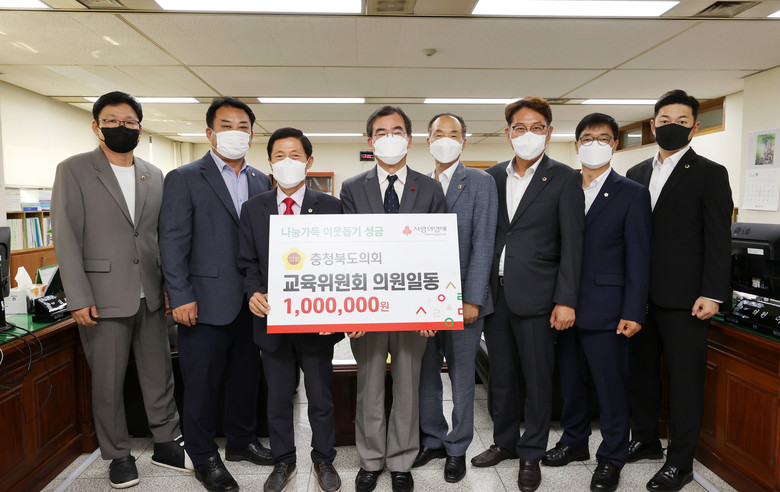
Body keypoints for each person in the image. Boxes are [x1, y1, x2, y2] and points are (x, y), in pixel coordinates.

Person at [51, 91, 189, 489]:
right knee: (108, 382)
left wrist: (169, 287)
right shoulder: (74, 170)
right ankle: (118, 455)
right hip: (102, 296)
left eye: (129, 122)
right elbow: (66, 237)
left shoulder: (153, 173)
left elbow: (159, 236)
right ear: (96, 127)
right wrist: (78, 297)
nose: (120, 127)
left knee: (159, 373)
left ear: (140, 129)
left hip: (151, 293)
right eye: (111, 121)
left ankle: (167, 442)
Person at [159, 97, 273, 492]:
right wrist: (180, 295)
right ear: (210, 133)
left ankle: (241, 441)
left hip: (251, 301)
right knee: (202, 383)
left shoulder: (260, 180)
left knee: (246, 377)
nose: (235, 133)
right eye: (226, 126)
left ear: (252, 135)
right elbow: (172, 241)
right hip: (203, 301)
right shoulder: (185, 177)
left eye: (243, 127)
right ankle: (204, 455)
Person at [471, 96, 584, 492]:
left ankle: (531, 453)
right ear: (508, 133)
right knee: (500, 376)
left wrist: (566, 299)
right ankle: (504, 442)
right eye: (520, 128)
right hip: (496, 295)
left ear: (549, 132)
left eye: (537, 127)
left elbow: (573, 244)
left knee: (537, 379)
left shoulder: (565, 178)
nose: (527, 134)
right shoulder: (491, 176)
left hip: (539, 297)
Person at [626, 90, 733, 492]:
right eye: (665, 120)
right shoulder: (635, 172)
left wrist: (713, 292)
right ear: (653, 125)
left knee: (686, 383)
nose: (673, 126)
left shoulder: (709, 172)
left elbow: (718, 238)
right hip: (639, 297)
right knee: (641, 375)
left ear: (695, 127)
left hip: (687, 300)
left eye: (682, 121)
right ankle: (646, 440)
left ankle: (680, 462)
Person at [541, 113, 651, 492]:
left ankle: (612, 457)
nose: (595, 144)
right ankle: (574, 442)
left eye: (603, 138)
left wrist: (634, 310)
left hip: (608, 309)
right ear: (576, 145)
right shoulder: (563, 186)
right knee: (571, 384)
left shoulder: (632, 193)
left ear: (615, 144)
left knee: (611, 388)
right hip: (563, 306)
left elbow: (639, 257)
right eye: (587, 138)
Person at [340, 106, 446, 492]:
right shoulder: (353, 187)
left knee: (408, 386)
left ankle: (401, 460)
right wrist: (350, 310)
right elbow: (346, 252)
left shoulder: (429, 188)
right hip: (367, 309)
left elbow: (439, 251)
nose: (390, 138)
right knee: (368, 386)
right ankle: (370, 460)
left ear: (410, 139)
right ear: (370, 141)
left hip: (413, 307)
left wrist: (434, 310)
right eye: (381, 132)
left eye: (397, 131)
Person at [237, 127, 344, 492]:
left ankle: (324, 458)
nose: (287, 162)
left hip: (317, 322)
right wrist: (253, 292)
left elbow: (341, 264)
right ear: (269, 162)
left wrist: (337, 311)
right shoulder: (253, 209)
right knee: (278, 398)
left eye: (295, 155)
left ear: (309, 161)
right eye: (279, 156)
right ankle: (284, 461)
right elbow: (248, 262)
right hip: (273, 320)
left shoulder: (331, 206)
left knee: (321, 397)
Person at [413, 113, 498, 483]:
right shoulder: (418, 184)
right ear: (428, 140)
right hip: (422, 302)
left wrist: (473, 298)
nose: (445, 140)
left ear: (464, 141)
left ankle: (457, 446)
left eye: (453, 134)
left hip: (465, 301)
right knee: (425, 374)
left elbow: (484, 242)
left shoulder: (480, 181)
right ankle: (432, 438)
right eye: (438, 134)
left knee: (462, 377)